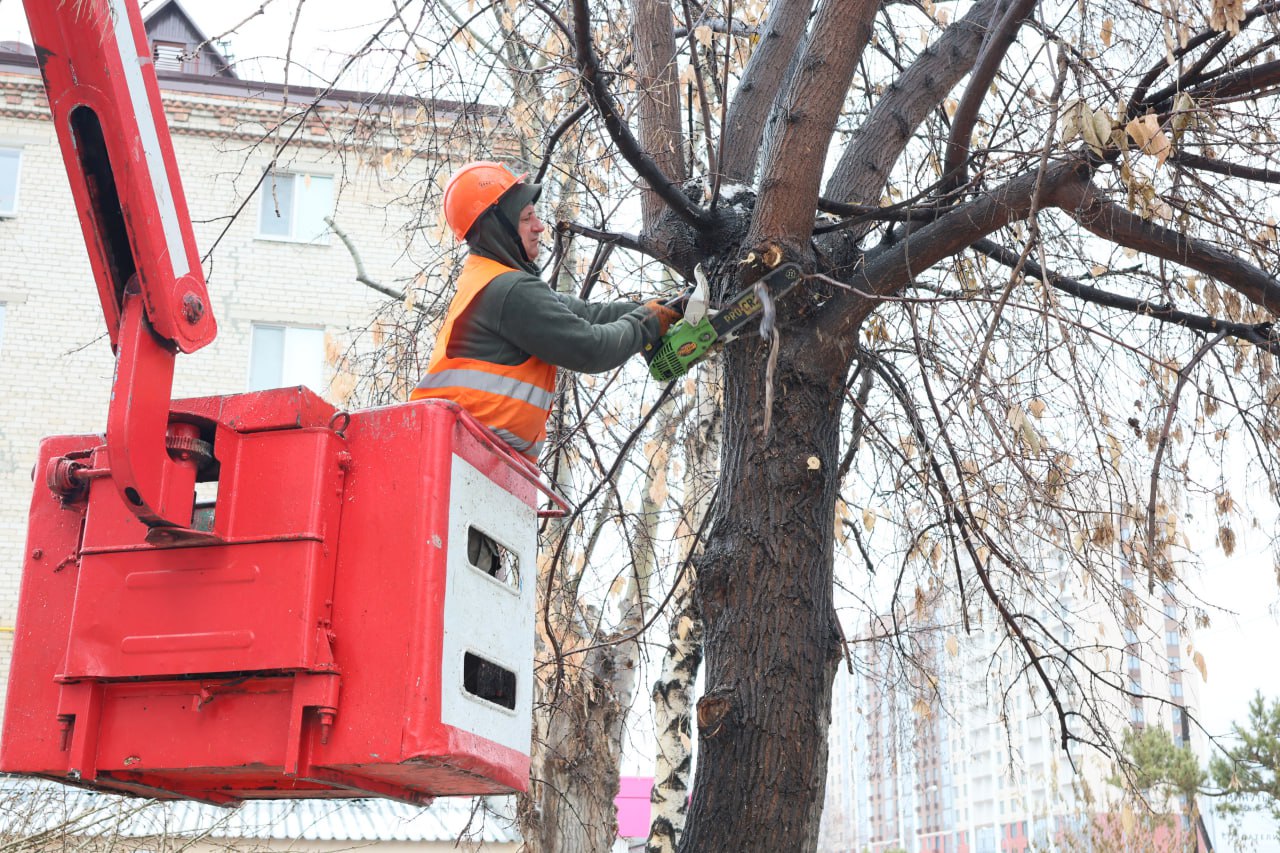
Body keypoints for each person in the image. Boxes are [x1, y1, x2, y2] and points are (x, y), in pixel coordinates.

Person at [411, 161, 681, 462]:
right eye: (527, 218)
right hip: (460, 459)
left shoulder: (490, 281)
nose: (539, 227)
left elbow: (586, 315)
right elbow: (590, 348)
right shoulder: (508, 291)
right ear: (496, 228)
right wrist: (646, 324)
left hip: (466, 457)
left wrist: (665, 310)